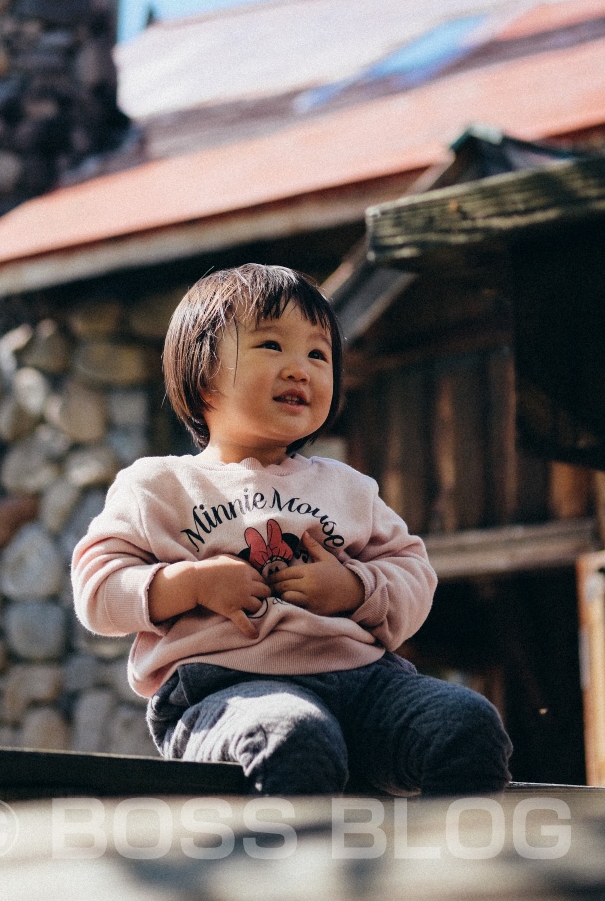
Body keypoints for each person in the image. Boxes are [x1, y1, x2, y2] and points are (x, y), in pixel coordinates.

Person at [71, 264, 512, 795]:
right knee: (293, 736)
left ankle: (464, 875)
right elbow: (97, 592)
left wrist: (354, 589)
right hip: (226, 692)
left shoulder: (349, 488)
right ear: (203, 369)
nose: (300, 369)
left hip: (367, 686)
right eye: (272, 346)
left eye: (318, 355)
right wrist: (189, 584)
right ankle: (292, 875)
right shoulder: (159, 486)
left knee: (466, 724)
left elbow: (413, 574)